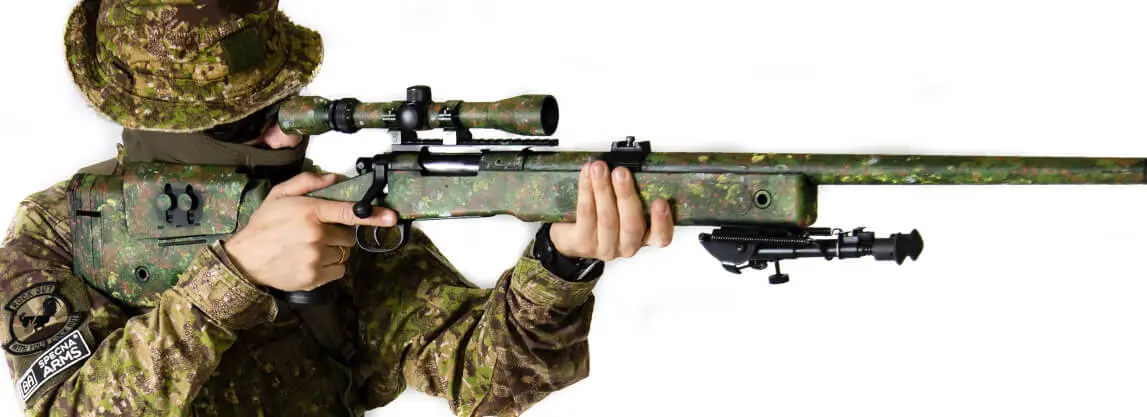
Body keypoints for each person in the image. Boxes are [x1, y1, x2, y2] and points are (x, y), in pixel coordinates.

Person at [0, 1, 673, 416]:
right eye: (249, 122)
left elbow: (486, 378)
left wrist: (560, 266)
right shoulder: (62, 231)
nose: (287, 138)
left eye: (290, 106)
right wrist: (231, 279)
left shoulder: (332, 220)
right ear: (167, 132)